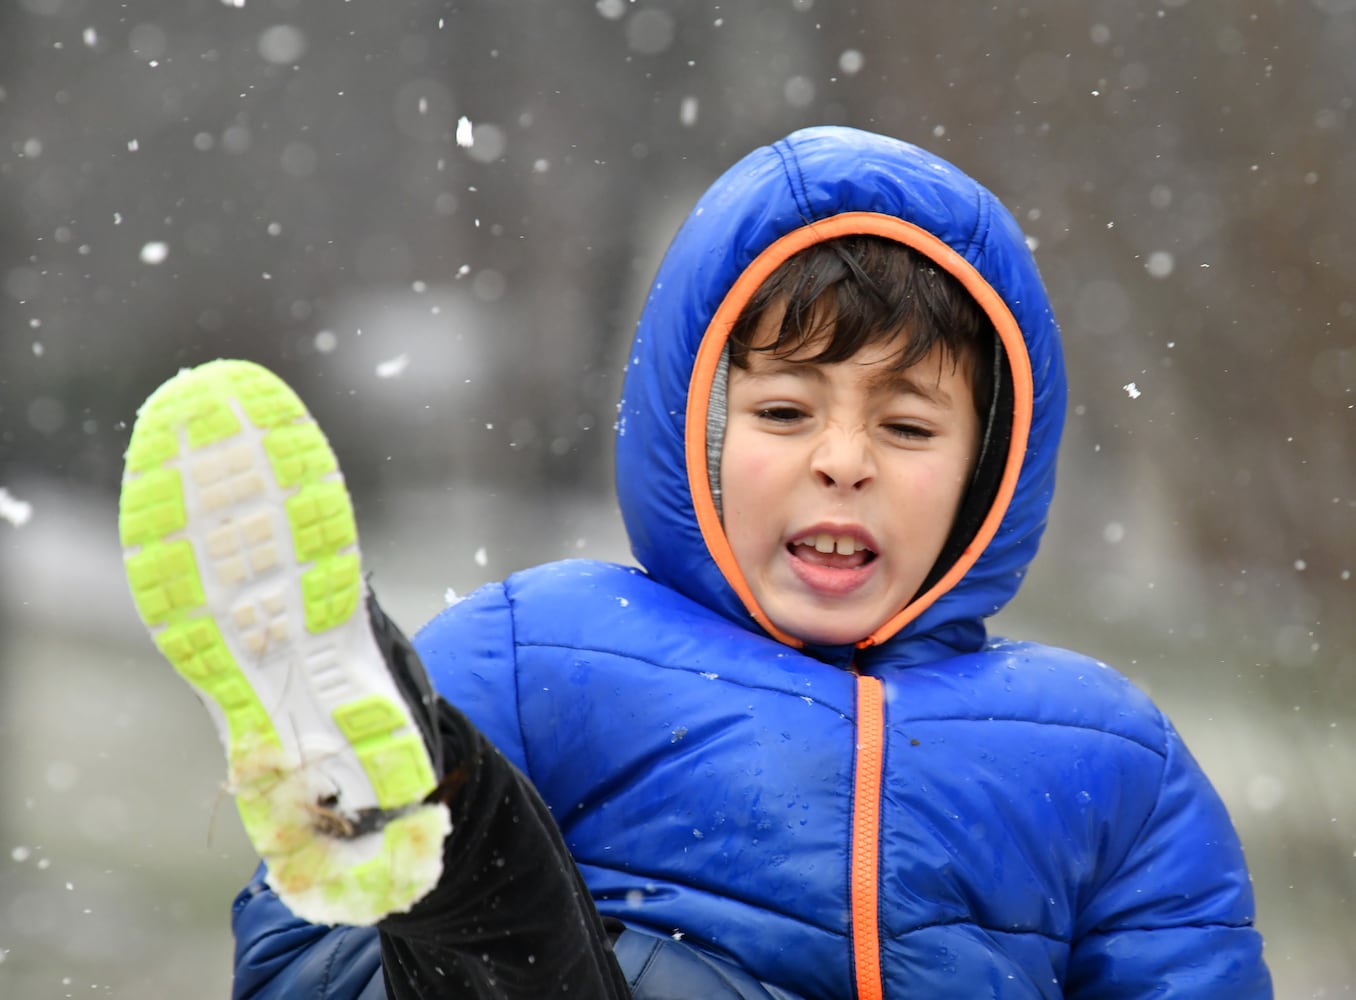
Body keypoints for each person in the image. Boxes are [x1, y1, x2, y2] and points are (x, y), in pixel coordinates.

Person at [118, 125, 1272, 998]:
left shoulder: (1109, 761)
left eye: (908, 429)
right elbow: (291, 968)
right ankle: (408, 793)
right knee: (502, 914)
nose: (843, 461)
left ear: (989, 469)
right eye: (782, 411)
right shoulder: (547, 648)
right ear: (693, 430)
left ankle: (438, 816)